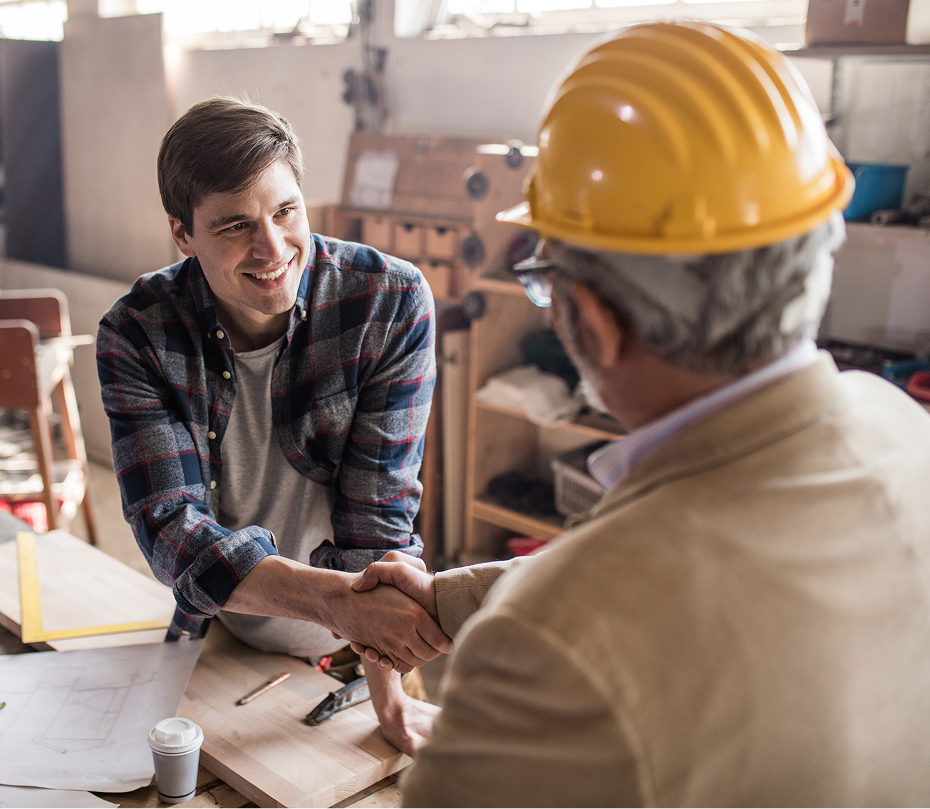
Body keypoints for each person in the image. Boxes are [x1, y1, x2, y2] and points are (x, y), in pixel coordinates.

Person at [346, 21, 930, 806]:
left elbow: (621, 599)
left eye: (546, 283)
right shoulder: (901, 426)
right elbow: (679, 576)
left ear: (593, 319)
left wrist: (520, 618)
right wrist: (451, 599)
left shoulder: (548, 652)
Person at [96, 97, 450, 755]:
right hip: (222, 626)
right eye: (235, 225)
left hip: (358, 650)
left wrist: (388, 690)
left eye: (285, 211)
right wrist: (335, 602)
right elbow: (171, 526)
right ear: (182, 234)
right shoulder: (137, 333)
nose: (272, 247)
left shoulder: (389, 302)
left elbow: (377, 512)